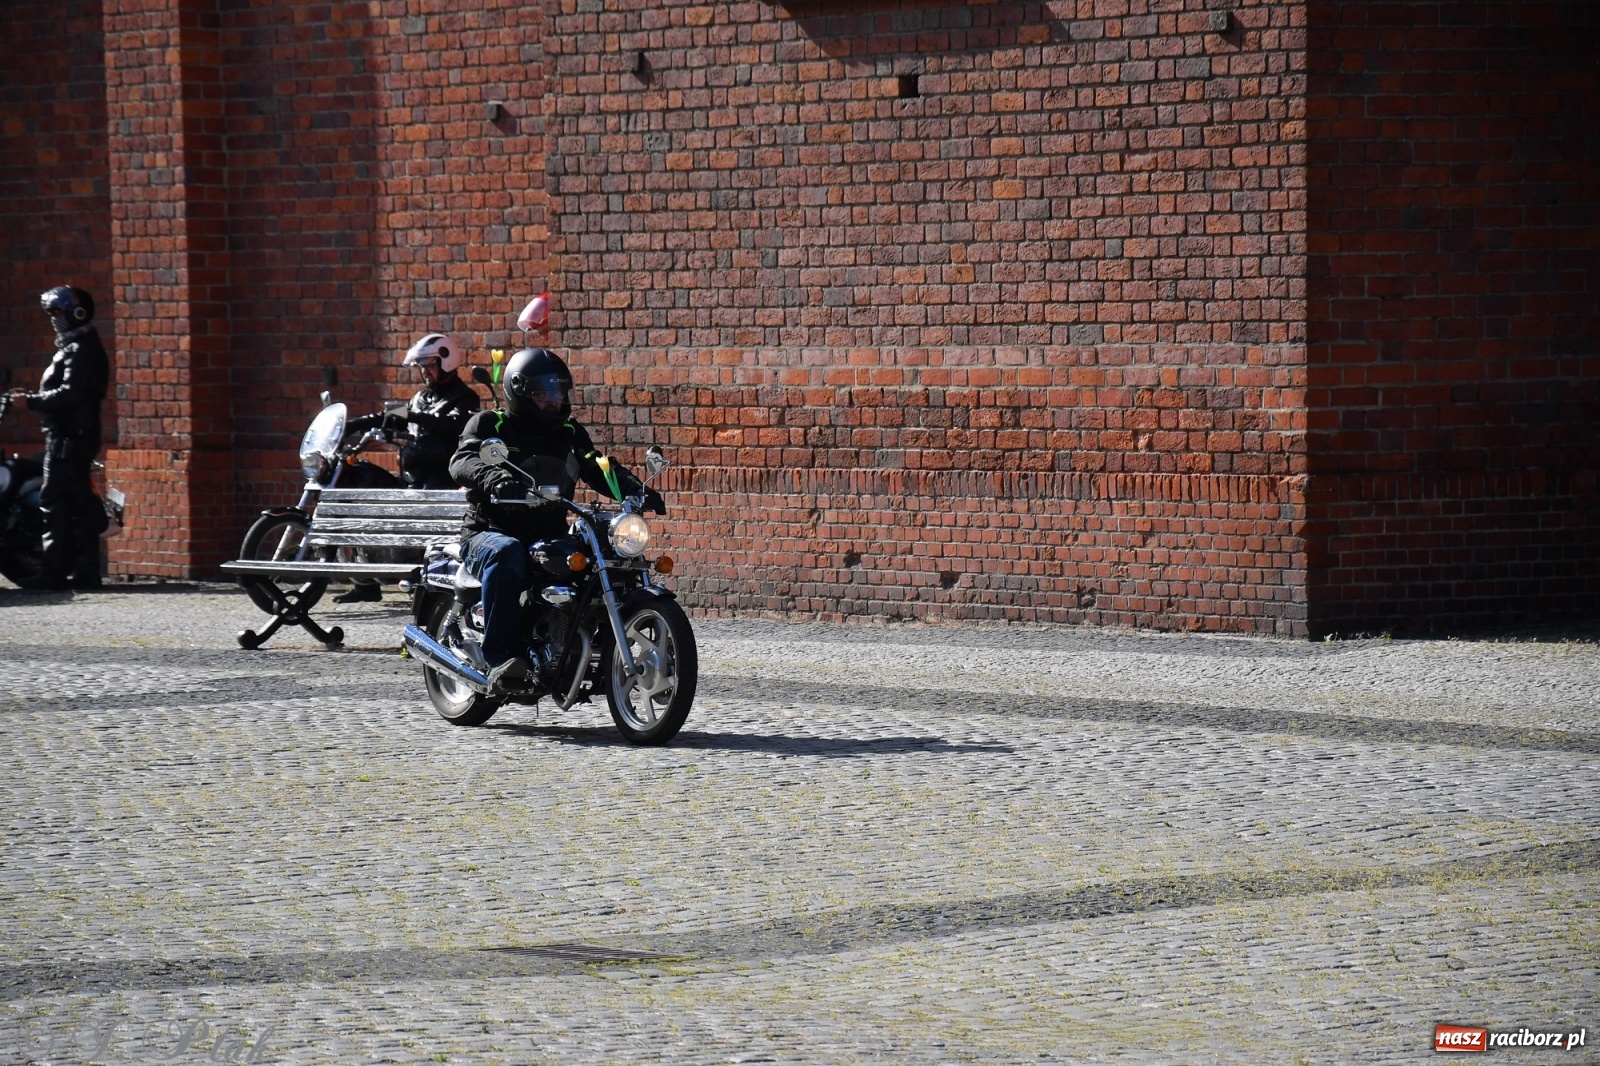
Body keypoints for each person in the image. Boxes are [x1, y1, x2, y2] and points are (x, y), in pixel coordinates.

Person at [448, 347, 664, 693]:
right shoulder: (490, 423)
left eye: (558, 391)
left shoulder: (568, 431)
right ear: (519, 390)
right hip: (489, 531)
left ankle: (585, 647)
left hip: (546, 531)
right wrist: (494, 479)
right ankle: (500, 658)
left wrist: (636, 490)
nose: (553, 400)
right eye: (544, 392)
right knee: (506, 553)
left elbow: (596, 466)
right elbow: (462, 461)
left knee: (604, 555)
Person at [336, 333, 481, 603]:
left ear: (446, 362)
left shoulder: (465, 398)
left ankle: (428, 580)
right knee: (361, 483)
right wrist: (355, 424)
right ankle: (363, 580)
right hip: (410, 479)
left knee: (427, 508)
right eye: (421, 366)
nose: (424, 371)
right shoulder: (419, 398)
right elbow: (391, 416)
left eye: (429, 365)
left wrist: (413, 416)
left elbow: (450, 424)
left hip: (440, 481)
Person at [3, 286, 110, 590]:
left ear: (77, 313)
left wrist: (31, 401)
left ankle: (55, 573)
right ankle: (84, 571)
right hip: (71, 435)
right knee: (75, 503)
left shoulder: (82, 349)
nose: (54, 319)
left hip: (70, 437)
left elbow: (70, 394)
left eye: (58, 313)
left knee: (55, 502)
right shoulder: (76, 346)